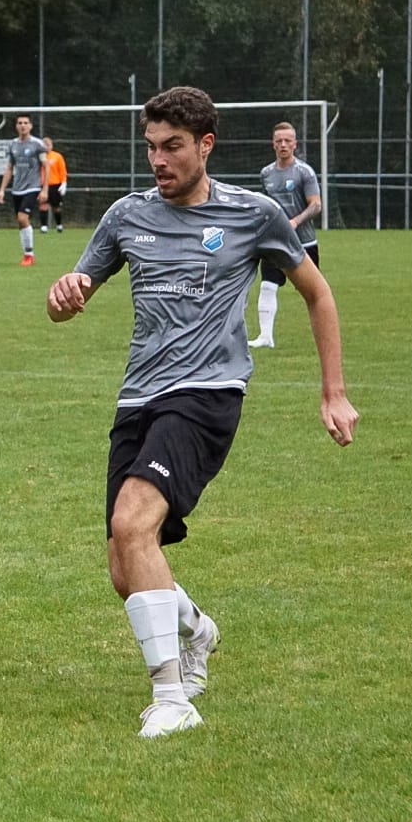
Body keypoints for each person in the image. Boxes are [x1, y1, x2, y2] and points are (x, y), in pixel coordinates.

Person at [45, 86, 358, 739]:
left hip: (207, 395)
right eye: (151, 147)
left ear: (205, 145)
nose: (159, 160)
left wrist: (333, 389)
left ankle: (173, 696)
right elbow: (70, 296)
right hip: (138, 397)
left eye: (173, 147)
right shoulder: (125, 216)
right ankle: (196, 627)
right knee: (123, 563)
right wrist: (64, 296)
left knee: (135, 521)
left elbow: (318, 293)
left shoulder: (253, 213)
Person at [250, 122, 323, 347]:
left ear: (295, 144)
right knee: (268, 285)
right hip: (276, 242)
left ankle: (322, 333)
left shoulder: (304, 172)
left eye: (287, 141)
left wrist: (295, 221)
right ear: (273, 144)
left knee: (313, 292)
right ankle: (265, 337)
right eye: (279, 141)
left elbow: (316, 205)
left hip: (304, 242)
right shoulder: (267, 173)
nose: (283, 145)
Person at [0, 114, 48, 266]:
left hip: (32, 187)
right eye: (20, 123)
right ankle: (27, 254)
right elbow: (10, 168)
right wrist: (2, 190)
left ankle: (29, 255)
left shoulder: (37, 144)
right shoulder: (13, 145)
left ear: (30, 126)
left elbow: (46, 166)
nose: (23, 125)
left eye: (25, 123)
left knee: (22, 218)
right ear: (16, 126)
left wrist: (44, 189)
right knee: (21, 222)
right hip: (17, 189)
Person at [41, 136, 68, 234]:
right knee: (43, 205)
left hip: (55, 184)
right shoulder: (40, 157)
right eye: (44, 145)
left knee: (56, 207)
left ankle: (59, 225)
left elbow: (62, 171)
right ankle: (44, 226)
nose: (46, 147)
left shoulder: (57, 156)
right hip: (43, 184)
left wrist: (63, 183)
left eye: (48, 145)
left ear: (51, 146)